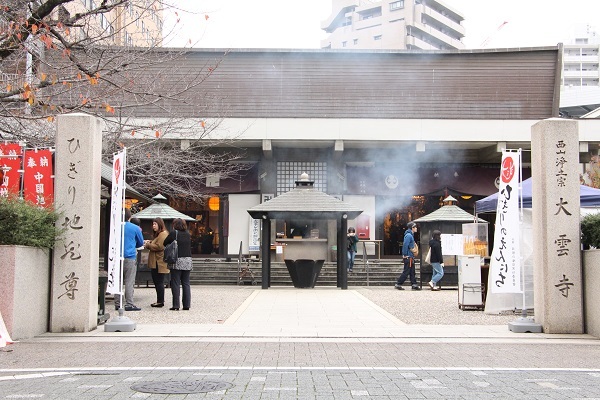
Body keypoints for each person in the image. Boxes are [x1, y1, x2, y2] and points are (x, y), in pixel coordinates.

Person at [115, 208, 144, 311]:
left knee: (117, 281)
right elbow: (140, 243)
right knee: (129, 281)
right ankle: (129, 303)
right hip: (130, 256)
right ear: (129, 217)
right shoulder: (135, 228)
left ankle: (118, 303)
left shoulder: (115, 226)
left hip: (116, 257)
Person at [164, 218, 193, 311]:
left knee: (176, 282)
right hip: (188, 260)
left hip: (177, 260)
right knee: (186, 283)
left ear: (175, 225)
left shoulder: (174, 233)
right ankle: (186, 305)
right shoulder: (188, 234)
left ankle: (176, 305)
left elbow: (165, 242)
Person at [144, 217, 169, 308]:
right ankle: (159, 300)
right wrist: (150, 242)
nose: (153, 226)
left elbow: (159, 246)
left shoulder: (163, 234)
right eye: (153, 224)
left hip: (159, 262)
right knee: (157, 281)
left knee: (159, 282)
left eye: (155, 224)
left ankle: (160, 301)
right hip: (157, 261)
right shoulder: (160, 234)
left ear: (160, 224)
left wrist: (148, 244)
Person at [394, 222, 421, 291]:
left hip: (410, 256)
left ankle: (414, 284)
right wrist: (405, 254)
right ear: (412, 228)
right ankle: (399, 283)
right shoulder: (409, 235)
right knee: (406, 271)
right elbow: (405, 245)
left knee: (412, 271)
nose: (416, 228)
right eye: (415, 227)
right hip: (409, 256)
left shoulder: (409, 235)